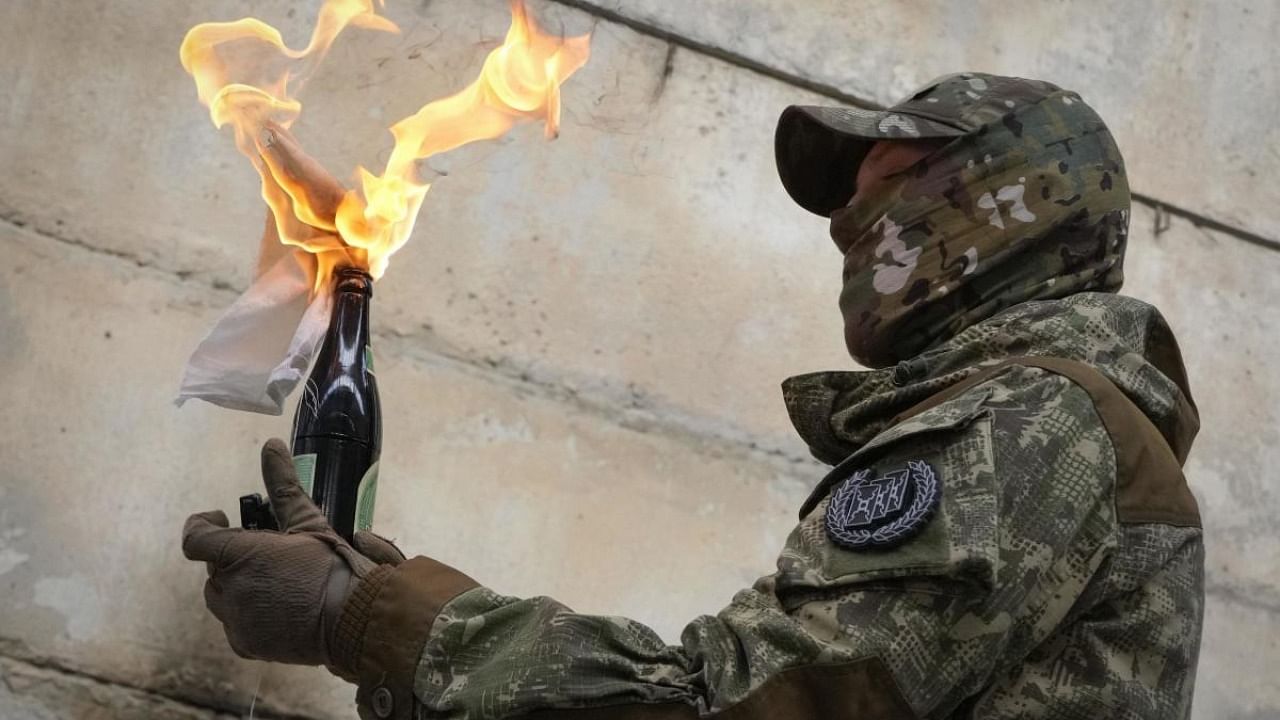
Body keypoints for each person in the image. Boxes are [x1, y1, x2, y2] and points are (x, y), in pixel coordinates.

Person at [184, 73, 1204, 719]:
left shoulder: (1027, 421)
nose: (846, 221)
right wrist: (388, 633)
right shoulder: (1065, 425)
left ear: (999, 208)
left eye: (883, 182)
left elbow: (741, 707)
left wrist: (360, 616)